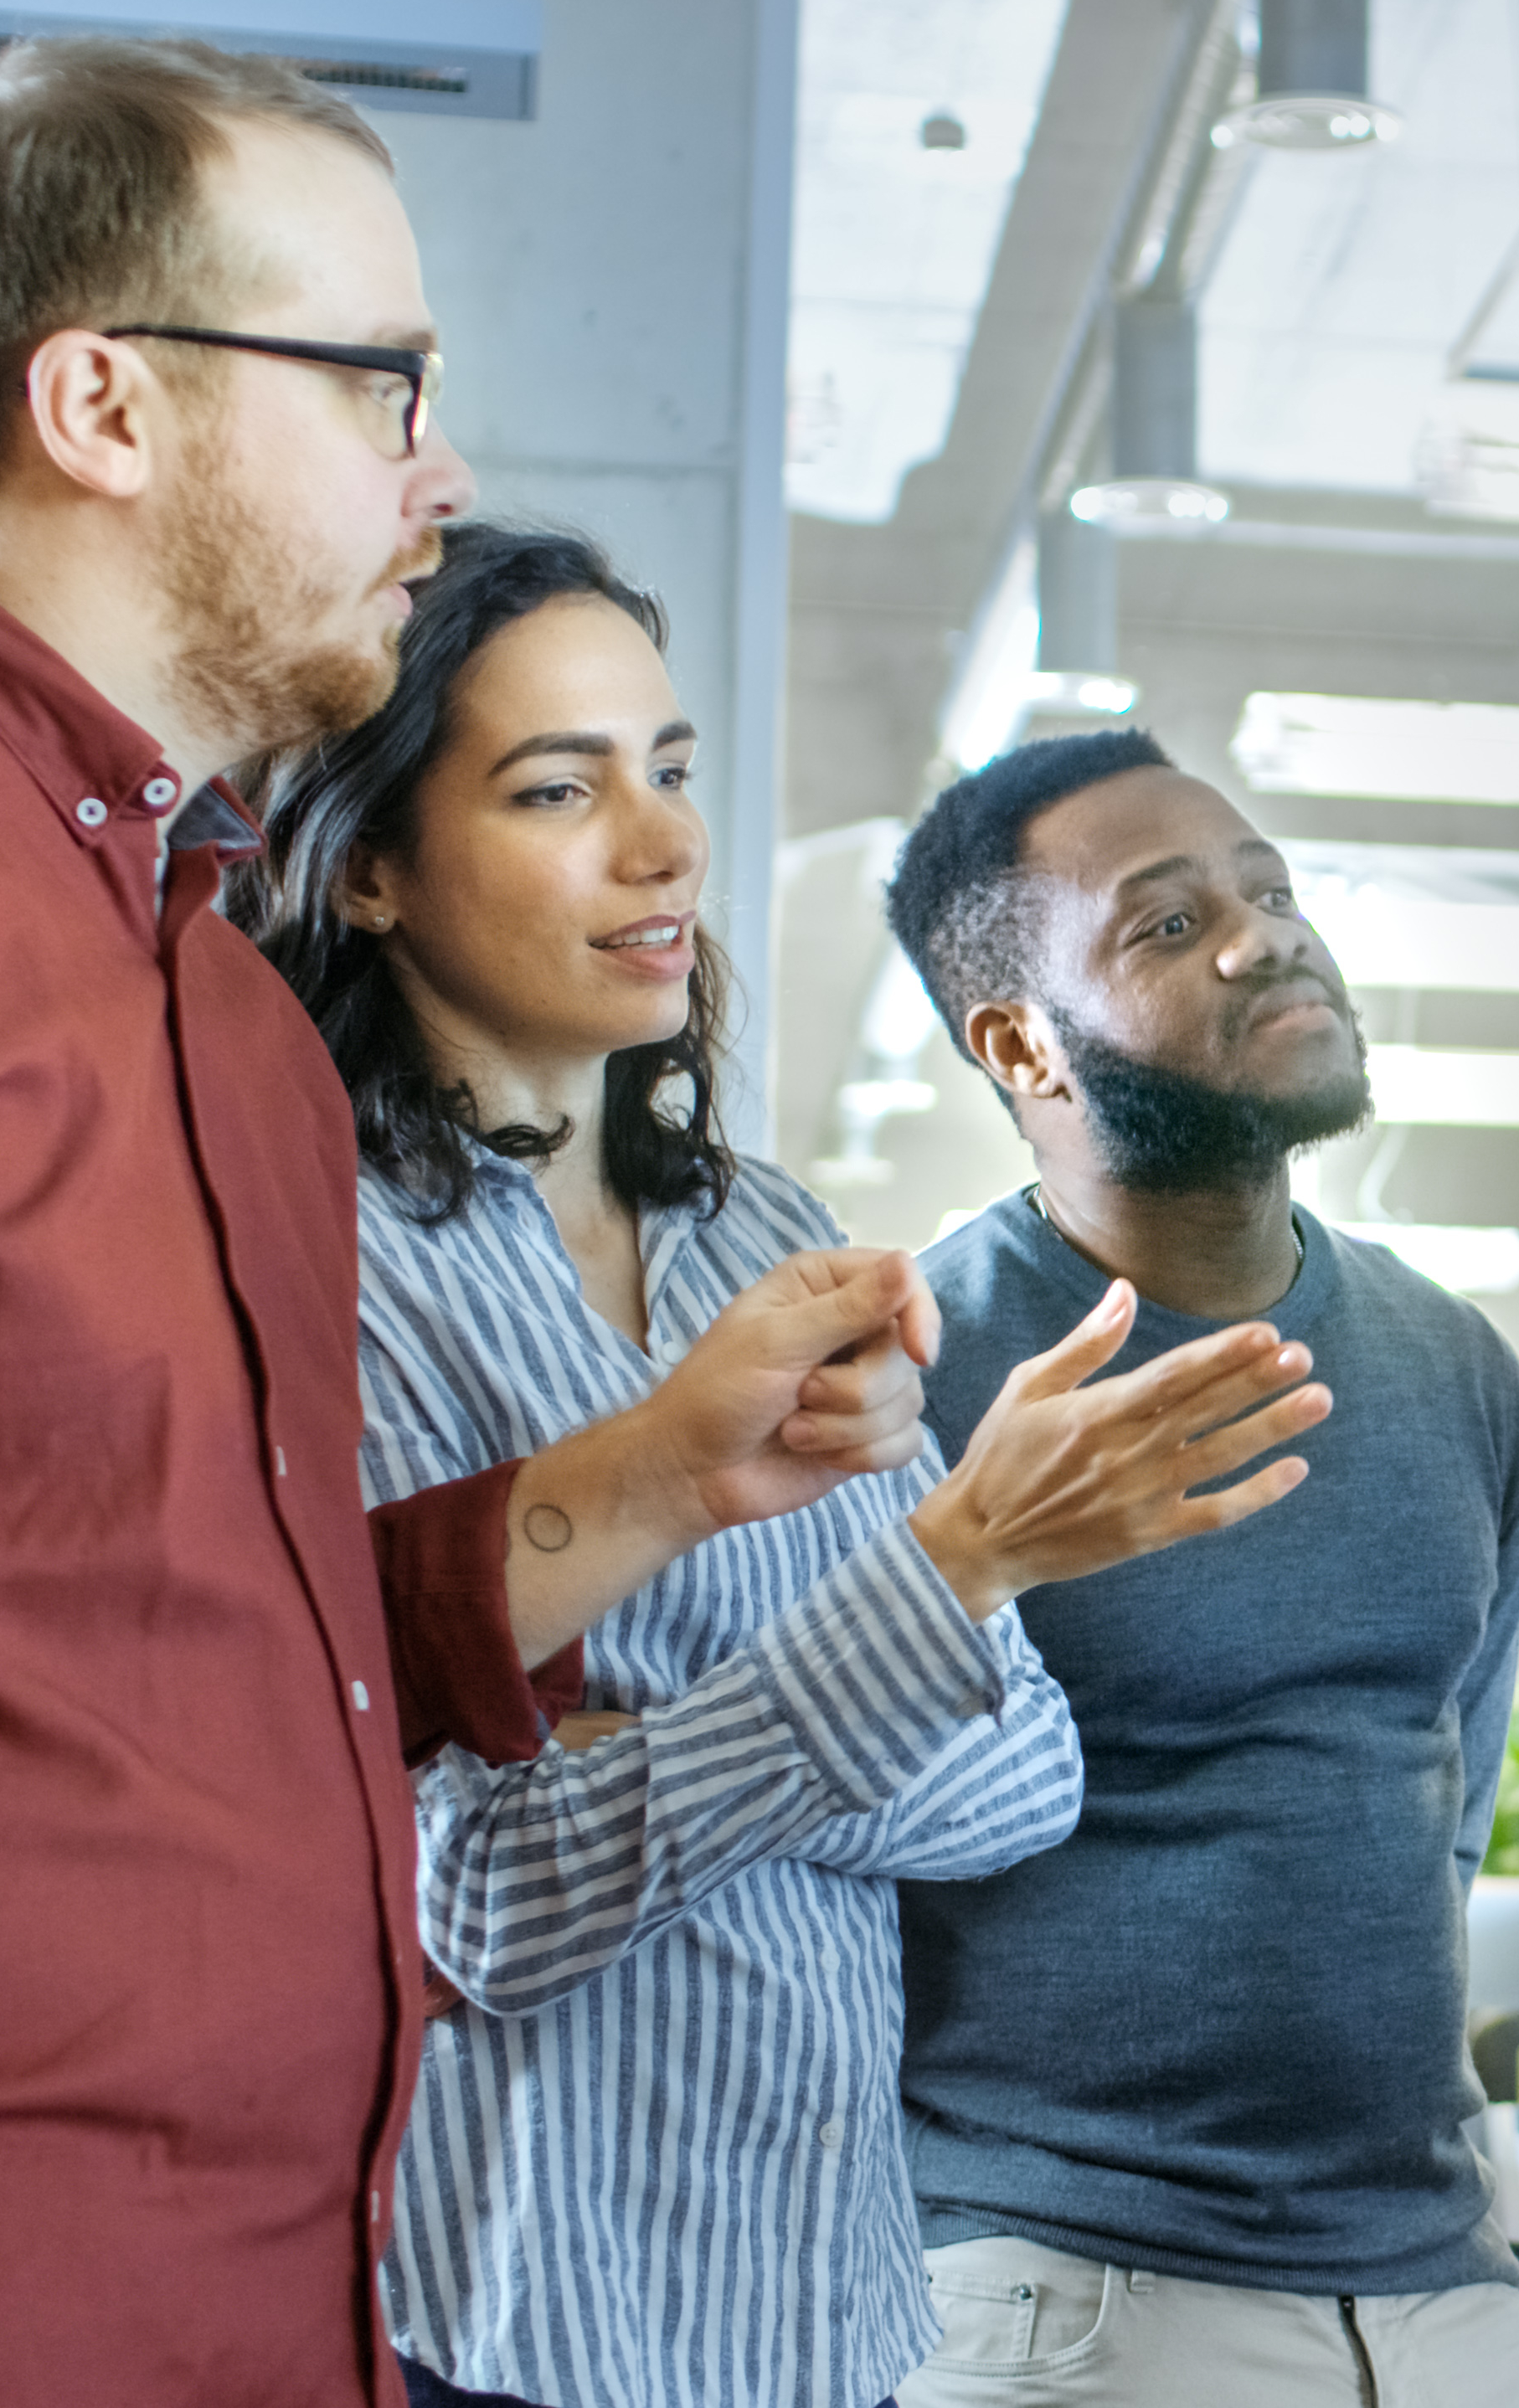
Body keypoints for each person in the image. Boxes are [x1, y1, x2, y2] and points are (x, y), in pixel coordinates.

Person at [0, 40, 942, 2404]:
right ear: (103, 399)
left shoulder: (217, 1005)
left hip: (304, 2299)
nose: (448, 467)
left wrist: (679, 1473)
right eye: (381, 384)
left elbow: (230, 1635)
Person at [230, 524, 1341, 2408]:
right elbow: (481, 1897)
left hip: (821, 2328)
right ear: (376, 875)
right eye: (555, 790)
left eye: (667, 771)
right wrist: (941, 1588)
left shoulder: (774, 1243)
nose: (665, 849)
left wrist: (651, 1739)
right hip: (510, 2339)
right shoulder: (322, 1258)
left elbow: (1015, 1787)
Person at [874, 729, 1519, 2408]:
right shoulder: (910, 1372)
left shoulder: (1449, 1364)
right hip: (1059, 2292)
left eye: (1267, 890)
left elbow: (1439, 1807)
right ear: (1021, 1044)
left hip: (1438, 2291)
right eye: (1166, 926)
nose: (1263, 936)